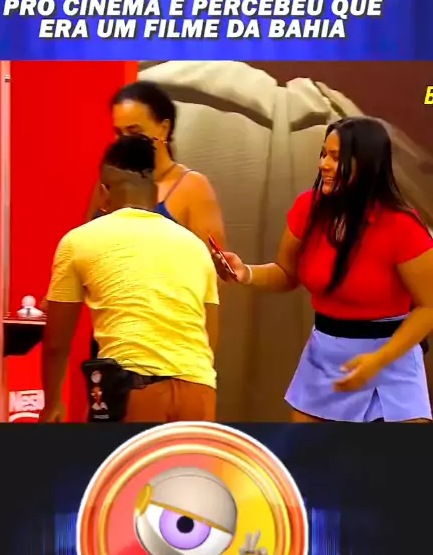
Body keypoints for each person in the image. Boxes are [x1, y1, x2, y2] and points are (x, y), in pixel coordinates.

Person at [216, 117, 433, 423]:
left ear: (366, 163)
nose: (323, 165)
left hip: (389, 359)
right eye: (323, 154)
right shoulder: (309, 208)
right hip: (325, 355)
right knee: (311, 452)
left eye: (335, 157)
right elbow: (286, 273)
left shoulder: (402, 226)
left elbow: (429, 306)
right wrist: (246, 273)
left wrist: (379, 361)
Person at [39, 134, 219, 423]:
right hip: (199, 393)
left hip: (132, 390)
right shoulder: (195, 247)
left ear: (103, 192)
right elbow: (209, 336)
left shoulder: (78, 241)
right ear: (155, 192)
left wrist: (52, 404)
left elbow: (56, 343)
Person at [86, 80, 226, 245]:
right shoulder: (108, 182)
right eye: (119, 132)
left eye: (134, 131)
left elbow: (212, 259)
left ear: (163, 129)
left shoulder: (192, 187)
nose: (125, 141)